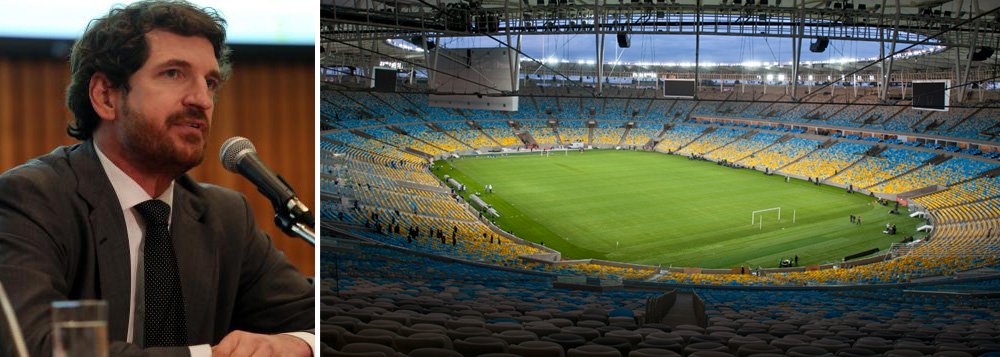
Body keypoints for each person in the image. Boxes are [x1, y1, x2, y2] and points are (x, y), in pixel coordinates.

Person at [0, 2, 313, 356]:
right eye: (174, 74)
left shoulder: (225, 216)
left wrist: (299, 344)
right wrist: (209, 356)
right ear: (106, 96)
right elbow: (31, 345)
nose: (202, 99)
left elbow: (315, 315)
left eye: (210, 82)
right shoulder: (33, 199)